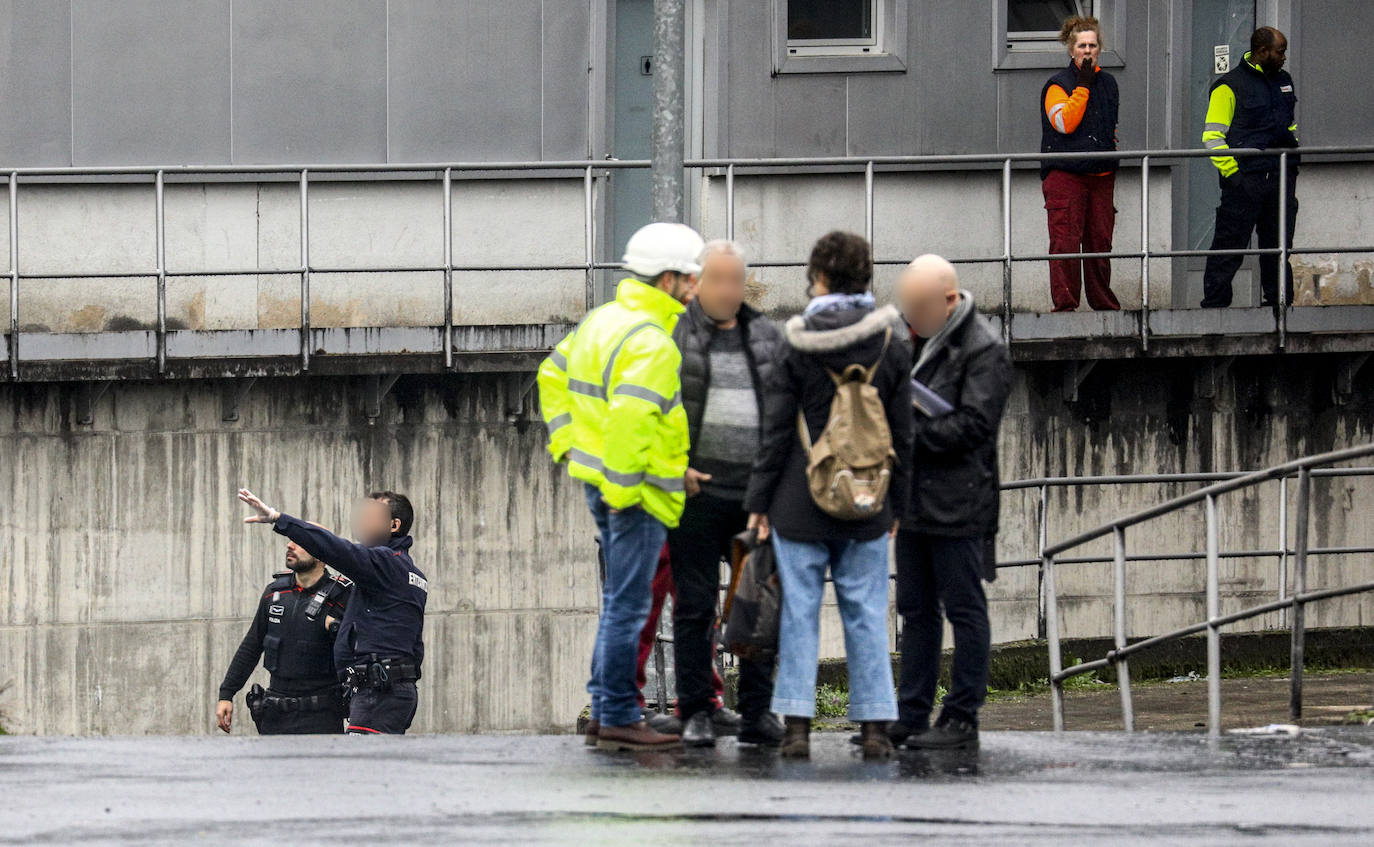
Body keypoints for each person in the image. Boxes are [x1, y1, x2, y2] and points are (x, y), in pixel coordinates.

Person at [744, 231, 914, 760]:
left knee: (800, 612)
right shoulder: (893, 342)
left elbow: (775, 429)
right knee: (865, 611)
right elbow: (904, 433)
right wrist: (898, 505)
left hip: (800, 500)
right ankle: (874, 731)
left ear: (819, 278)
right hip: (867, 498)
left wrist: (759, 502)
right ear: (866, 278)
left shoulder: (794, 342)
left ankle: (796, 728)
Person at [538, 221, 703, 752]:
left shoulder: (602, 321)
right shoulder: (653, 342)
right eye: (692, 279)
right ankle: (618, 715)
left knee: (618, 603)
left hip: (602, 482)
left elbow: (551, 375)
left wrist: (569, 446)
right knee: (629, 606)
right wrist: (627, 488)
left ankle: (610, 709)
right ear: (671, 278)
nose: (696, 289)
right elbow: (634, 422)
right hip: (633, 493)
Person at [665, 239, 784, 748]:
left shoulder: (766, 336)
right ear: (697, 283)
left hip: (753, 497)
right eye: (717, 280)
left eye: (736, 280)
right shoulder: (676, 335)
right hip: (696, 495)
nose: (728, 290)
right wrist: (676, 468)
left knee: (757, 608)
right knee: (693, 606)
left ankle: (758, 712)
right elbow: (658, 407)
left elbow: (784, 417)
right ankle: (696, 711)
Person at [890, 255, 1012, 751]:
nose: (910, 316)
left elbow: (975, 427)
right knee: (915, 610)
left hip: (960, 501)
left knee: (965, 608)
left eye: (919, 307)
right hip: (914, 500)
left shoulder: (984, 349)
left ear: (948, 300)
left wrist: (904, 433)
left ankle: (962, 717)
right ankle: (912, 715)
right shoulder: (909, 335)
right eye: (907, 307)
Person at [237, 488, 427, 735]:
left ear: (393, 525)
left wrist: (277, 518)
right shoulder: (412, 574)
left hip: (378, 693)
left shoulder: (384, 563)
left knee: (363, 770)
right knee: (378, 768)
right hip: (389, 691)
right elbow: (414, 648)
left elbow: (336, 549)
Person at [215, 532, 352, 735]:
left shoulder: (343, 596)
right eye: (290, 541)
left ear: (322, 555)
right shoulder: (274, 593)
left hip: (321, 717)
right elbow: (252, 645)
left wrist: (337, 630)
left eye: (300, 543)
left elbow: (359, 651)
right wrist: (226, 693)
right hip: (275, 714)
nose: (290, 545)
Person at [1201, 26, 1299, 309]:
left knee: (1278, 249)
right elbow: (1212, 137)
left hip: (1281, 178)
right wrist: (1234, 177)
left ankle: (1280, 308)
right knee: (1229, 248)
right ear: (1261, 52)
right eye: (1280, 52)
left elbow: (1289, 127)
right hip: (1246, 180)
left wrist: (1292, 165)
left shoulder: (1284, 81)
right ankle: (1215, 311)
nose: (1283, 58)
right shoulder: (1229, 86)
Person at [1040, 14, 1121, 313]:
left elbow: (1110, 127)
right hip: (1066, 173)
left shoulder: (1109, 84)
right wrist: (1083, 86)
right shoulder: (1057, 85)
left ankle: (1104, 305)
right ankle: (1065, 307)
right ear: (1071, 49)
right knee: (1065, 243)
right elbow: (1065, 123)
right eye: (1082, 45)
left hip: (1101, 173)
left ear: (1100, 48)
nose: (1088, 51)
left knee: (1100, 243)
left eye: (1093, 45)